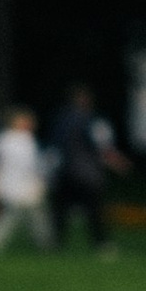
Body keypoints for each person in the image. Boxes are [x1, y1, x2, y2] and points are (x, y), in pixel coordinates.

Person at [45, 82, 128, 256]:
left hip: (66, 172)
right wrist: (118, 162)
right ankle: (101, 244)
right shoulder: (92, 120)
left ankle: (56, 243)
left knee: (62, 211)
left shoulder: (61, 119)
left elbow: (52, 148)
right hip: (86, 174)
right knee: (92, 211)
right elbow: (103, 147)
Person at [0, 106, 53, 260]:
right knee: (15, 219)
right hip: (18, 187)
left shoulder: (19, 140)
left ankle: (46, 246)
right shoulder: (11, 140)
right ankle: (46, 246)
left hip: (22, 186)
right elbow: (9, 165)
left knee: (33, 218)